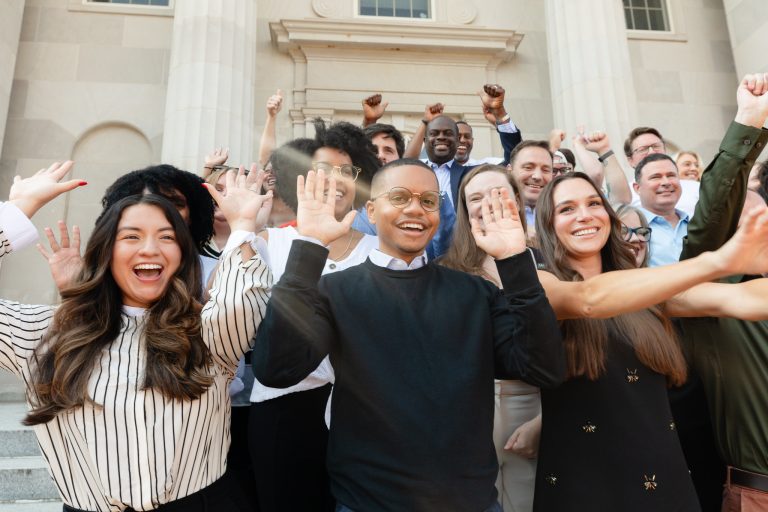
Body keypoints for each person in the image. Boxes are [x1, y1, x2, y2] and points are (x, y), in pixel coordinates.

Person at [252, 159, 566, 512]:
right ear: (371, 210)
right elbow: (275, 368)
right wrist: (308, 246)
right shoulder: (334, 290)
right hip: (368, 502)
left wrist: (514, 259)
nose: (415, 209)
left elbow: (543, 369)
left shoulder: (476, 293)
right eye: (399, 197)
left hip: (470, 501)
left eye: (428, 200)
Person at [2, 162, 273, 511]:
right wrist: (16, 213)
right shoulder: (46, 334)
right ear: (105, 251)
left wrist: (243, 226)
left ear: (182, 255)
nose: (149, 249)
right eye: (131, 236)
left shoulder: (209, 333)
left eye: (167, 237)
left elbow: (243, 297)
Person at [530, 171, 768, 512]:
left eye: (594, 203)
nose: (584, 214)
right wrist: (718, 261)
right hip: (584, 481)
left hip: (664, 476)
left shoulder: (648, 289)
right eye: (566, 209)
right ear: (548, 224)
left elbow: (740, 299)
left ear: (609, 218)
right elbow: (588, 299)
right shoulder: (540, 283)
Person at [248, 127, 379, 512]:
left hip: (361, 410)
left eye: (348, 171)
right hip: (283, 407)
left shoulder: (379, 251)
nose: (336, 180)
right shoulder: (269, 243)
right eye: (324, 168)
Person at [673, 72, 768, 511]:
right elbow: (712, 219)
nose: (754, 226)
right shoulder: (710, 293)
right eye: (740, 218)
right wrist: (748, 123)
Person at [440, 164, 540, 512]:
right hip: (468, 410)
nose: (487, 204)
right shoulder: (445, 273)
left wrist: (547, 420)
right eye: (475, 198)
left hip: (535, 404)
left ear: (516, 198)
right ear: (464, 209)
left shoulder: (547, 265)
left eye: (498, 193)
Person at [632, 153, 688, 267]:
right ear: (637, 188)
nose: (666, 182)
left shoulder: (697, 223)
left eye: (671, 175)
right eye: (655, 177)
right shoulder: (629, 230)